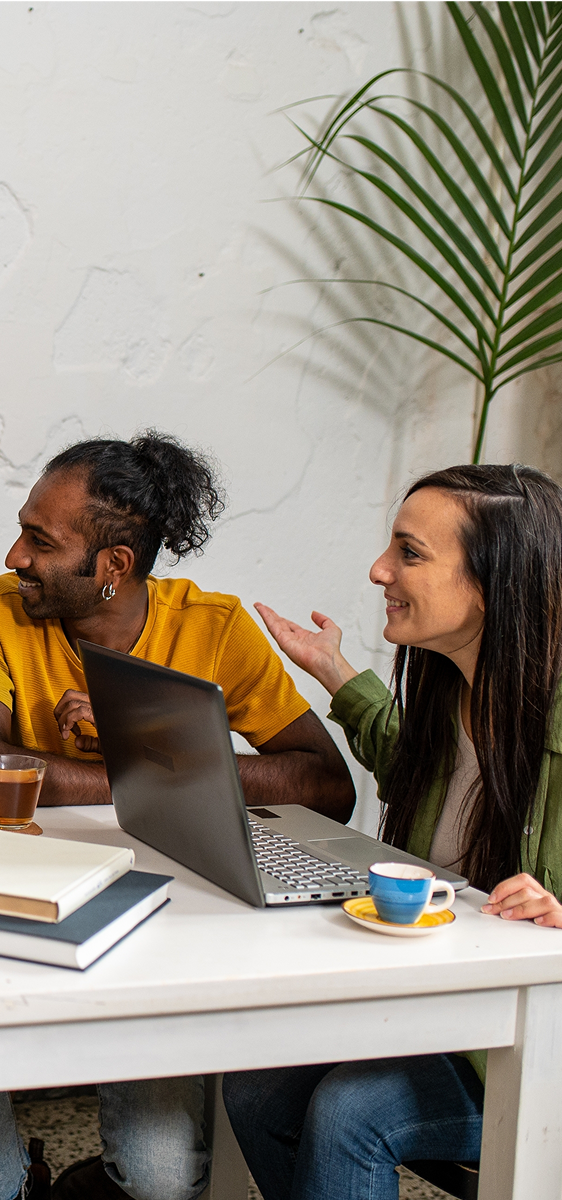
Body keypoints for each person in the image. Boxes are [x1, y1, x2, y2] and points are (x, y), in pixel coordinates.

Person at [0, 430, 356, 1200]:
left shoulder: (215, 628)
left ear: (114, 568)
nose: (14, 556)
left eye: (40, 540)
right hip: (7, 905)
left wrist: (139, 744)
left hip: (162, 924)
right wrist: (159, 772)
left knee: (165, 1179)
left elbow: (327, 784)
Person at [223, 464, 562, 1200]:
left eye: (409, 553)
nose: (380, 569)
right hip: (445, 1005)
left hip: (534, 1044)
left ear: (493, 581)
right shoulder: (454, 695)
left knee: (352, 1114)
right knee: (252, 1087)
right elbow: (405, 756)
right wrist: (332, 670)